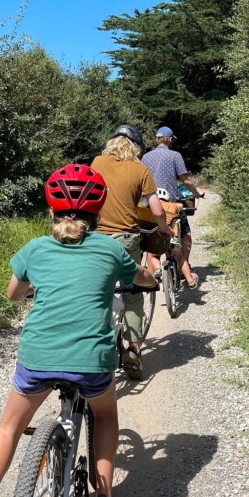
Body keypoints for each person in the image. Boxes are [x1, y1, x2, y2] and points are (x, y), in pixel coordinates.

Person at [0, 164, 156, 497]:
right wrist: (149, 278)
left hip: (39, 356)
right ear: (98, 214)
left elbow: (13, 294)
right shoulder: (111, 249)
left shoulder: (35, 248)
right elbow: (141, 279)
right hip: (91, 361)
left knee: (10, 426)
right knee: (106, 415)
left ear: (51, 211)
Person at [91, 124, 173, 380]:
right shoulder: (140, 170)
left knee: (98, 290)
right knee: (133, 293)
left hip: (97, 239)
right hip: (127, 239)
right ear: (136, 146)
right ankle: (133, 351)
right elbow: (157, 210)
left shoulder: (97, 162)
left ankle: (92, 343)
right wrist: (164, 230)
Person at [141, 126, 205, 289]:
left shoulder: (146, 157)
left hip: (151, 206)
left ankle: (153, 275)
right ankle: (184, 268)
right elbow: (186, 181)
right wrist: (197, 194)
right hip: (172, 205)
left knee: (151, 244)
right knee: (185, 235)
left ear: (157, 139)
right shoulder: (175, 155)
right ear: (169, 139)